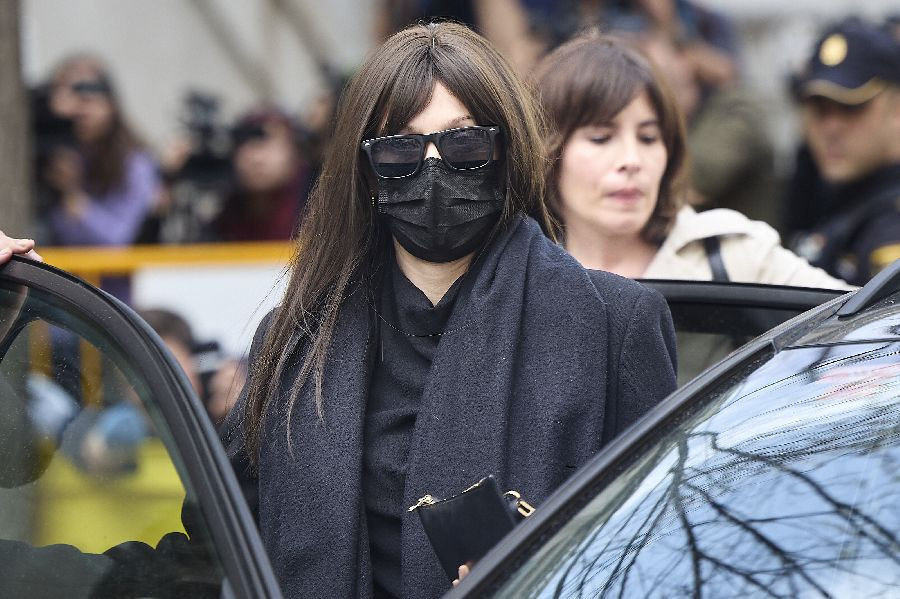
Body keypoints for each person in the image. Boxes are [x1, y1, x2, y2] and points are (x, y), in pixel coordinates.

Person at [222, 21, 677, 598]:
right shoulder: (295, 340)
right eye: (399, 149)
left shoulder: (616, 324)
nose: (433, 169)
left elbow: (660, 553)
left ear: (506, 152)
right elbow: (224, 535)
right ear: (366, 171)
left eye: (465, 144)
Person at [533, 33, 849, 288]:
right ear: (549, 151)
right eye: (601, 138)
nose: (632, 160)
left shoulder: (732, 254)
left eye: (649, 138)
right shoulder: (518, 278)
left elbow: (861, 324)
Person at [788, 18, 900, 286]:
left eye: (852, 108)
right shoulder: (834, 200)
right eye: (819, 109)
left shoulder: (889, 224)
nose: (831, 128)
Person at [39, 55, 159, 248]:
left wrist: (73, 196)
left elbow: (120, 239)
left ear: (110, 104)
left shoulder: (135, 162)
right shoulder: (51, 152)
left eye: (87, 99)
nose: (79, 111)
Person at [211, 107, 310, 241]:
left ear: (294, 149)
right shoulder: (226, 217)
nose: (256, 159)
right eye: (246, 145)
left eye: (266, 144)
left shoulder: (316, 206)